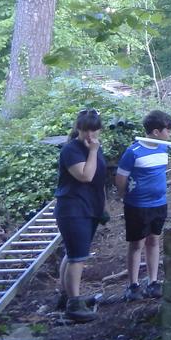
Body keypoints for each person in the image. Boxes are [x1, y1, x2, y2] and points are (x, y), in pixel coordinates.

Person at [55, 108, 108, 323]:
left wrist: (104, 207)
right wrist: (94, 151)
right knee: (78, 258)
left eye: (94, 131)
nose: (90, 135)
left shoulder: (96, 147)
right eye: (86, 130)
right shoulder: (71, 150)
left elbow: (99, 178)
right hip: (73, 209)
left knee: (72, 254)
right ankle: (74, 304)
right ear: (78, 128)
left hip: (91, 208)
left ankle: (66, 296)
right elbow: (85, 176)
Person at [114, 110, 171, 301]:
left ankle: (153, 282)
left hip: (159, 204)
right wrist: (125, 195)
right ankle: (133, 285)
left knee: (154, 240)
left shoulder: (164, 148)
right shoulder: (133, 152)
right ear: (156, 132)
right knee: (137, 243)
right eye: (168, 130)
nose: (170, 134)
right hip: (138, 206)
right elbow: (121, 178)